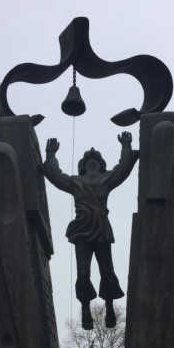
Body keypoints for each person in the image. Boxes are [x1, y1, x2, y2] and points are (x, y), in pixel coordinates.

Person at [43, 132, 139, 330]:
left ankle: (110, 304)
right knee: (82, 272)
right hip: (82, 229)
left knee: (107, 270)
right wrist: (51, 155)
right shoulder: (75, 181)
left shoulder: (107, 178)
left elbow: (123, 169)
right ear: (82, 166)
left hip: (101, 228)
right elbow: (55, 176)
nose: (92, 160)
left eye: (95, 159)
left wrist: (126, 146)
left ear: (101, 165)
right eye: (88, 160)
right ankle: (85, 306)